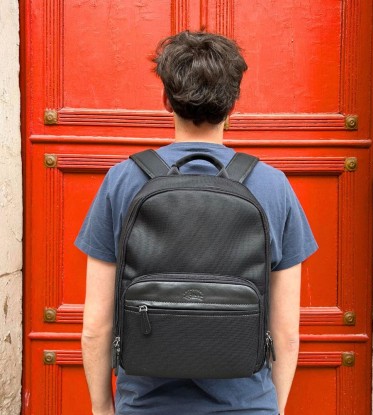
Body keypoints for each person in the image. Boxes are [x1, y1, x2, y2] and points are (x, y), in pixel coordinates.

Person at [75, 30, 318, 415]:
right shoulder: (272, 185)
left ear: (166, 99)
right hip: (246, 406)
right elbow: (286, 335)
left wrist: (102, 407)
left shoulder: (122, 181)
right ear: (233, 102)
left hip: (145, 405)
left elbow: (95, 327)